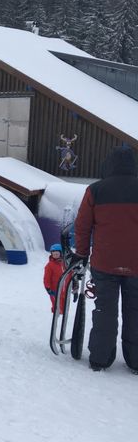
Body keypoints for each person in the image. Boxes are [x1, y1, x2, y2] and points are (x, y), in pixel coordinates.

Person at [74, 146, 138, 373]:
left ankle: (101, 358)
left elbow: (82, 226)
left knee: (105, 310)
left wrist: (81, 254)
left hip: (105, 262)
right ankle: (135, 360)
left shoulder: (95, 190)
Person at [44, 243, 71, 314]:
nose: (55, 255)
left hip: (65, 290)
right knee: (57, 306)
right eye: (54, 253)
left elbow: (70, 275)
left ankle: (63, 317)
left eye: (57, 253)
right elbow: (46, 278)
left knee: (65, 305)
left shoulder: (65, 264)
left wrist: (74, 287)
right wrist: (48, 288)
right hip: (54, 291)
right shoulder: (49, 265)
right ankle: (55, 317)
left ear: (61, 253)